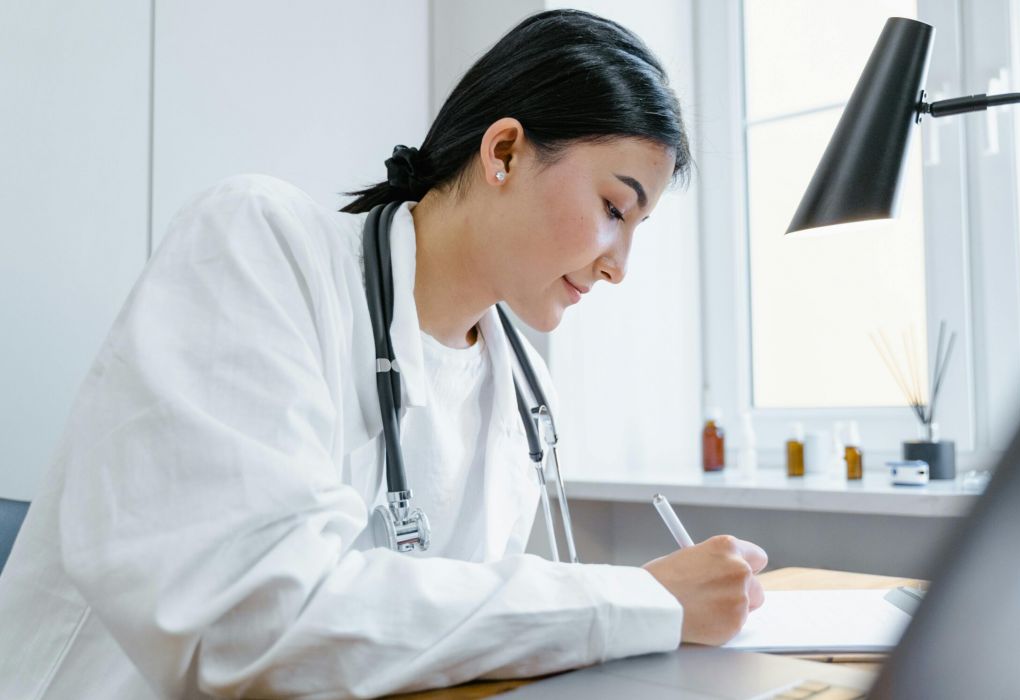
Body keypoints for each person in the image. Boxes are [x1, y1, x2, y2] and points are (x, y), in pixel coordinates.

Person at [0, 9, 768, 698]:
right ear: (503, 151)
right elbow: (254, 626)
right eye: (613, 209)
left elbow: (440, 647)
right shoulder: (260, 247)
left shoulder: (520, 391)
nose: (619, 265)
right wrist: (636, 600)